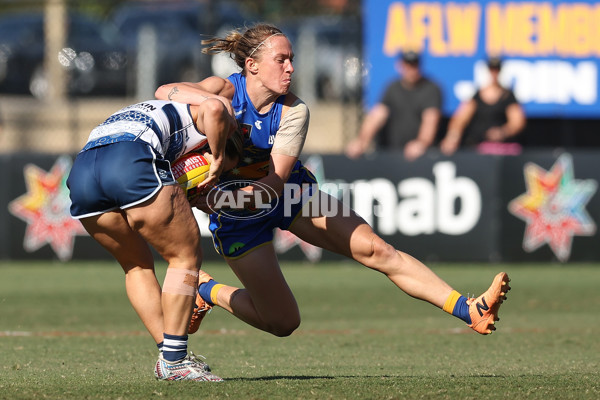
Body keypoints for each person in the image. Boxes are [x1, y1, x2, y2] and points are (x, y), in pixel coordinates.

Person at [155, 23, 511, 379]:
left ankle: (468, 308)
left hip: (287, 193)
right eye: (281, 59)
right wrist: (213, 105)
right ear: (252, 65)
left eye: (292, 59)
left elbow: (275, 183)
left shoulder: (294, 110)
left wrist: (221, 196)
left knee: (377, 250)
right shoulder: (224, 89)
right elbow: (163, 90)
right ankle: (207, 289)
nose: (291, 67)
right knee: (282, 322)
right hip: (237, 219)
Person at [66, 98, 242, 382]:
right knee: (185, 256)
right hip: (130, 157)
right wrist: (219, 157)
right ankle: (174, 362)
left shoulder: (161, 109)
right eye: (218, 173)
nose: (215, 176)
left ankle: (170, 355)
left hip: (83, 170)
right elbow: (215, 107)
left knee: (136, 266)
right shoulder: (209, 121)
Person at [345, 50, 442, 161]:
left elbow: (430, 120)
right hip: (392, 151)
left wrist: (421, 143)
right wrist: (361, 141)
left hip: (421, 155)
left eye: (414, 65)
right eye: (407, 65)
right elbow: (378, 115)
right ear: (400, 66)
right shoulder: (392, 87)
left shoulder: (431, 89)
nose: (411, 69)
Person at [440, 57, 526, 155]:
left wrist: (502, 132)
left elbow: (517, 122)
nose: (494, 73)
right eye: (492, 69)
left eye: (497, 70)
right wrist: (452, 137)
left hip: (505, 149)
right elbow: (460, 119)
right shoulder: (476, 96)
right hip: (479, 148)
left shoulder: (508, 96)